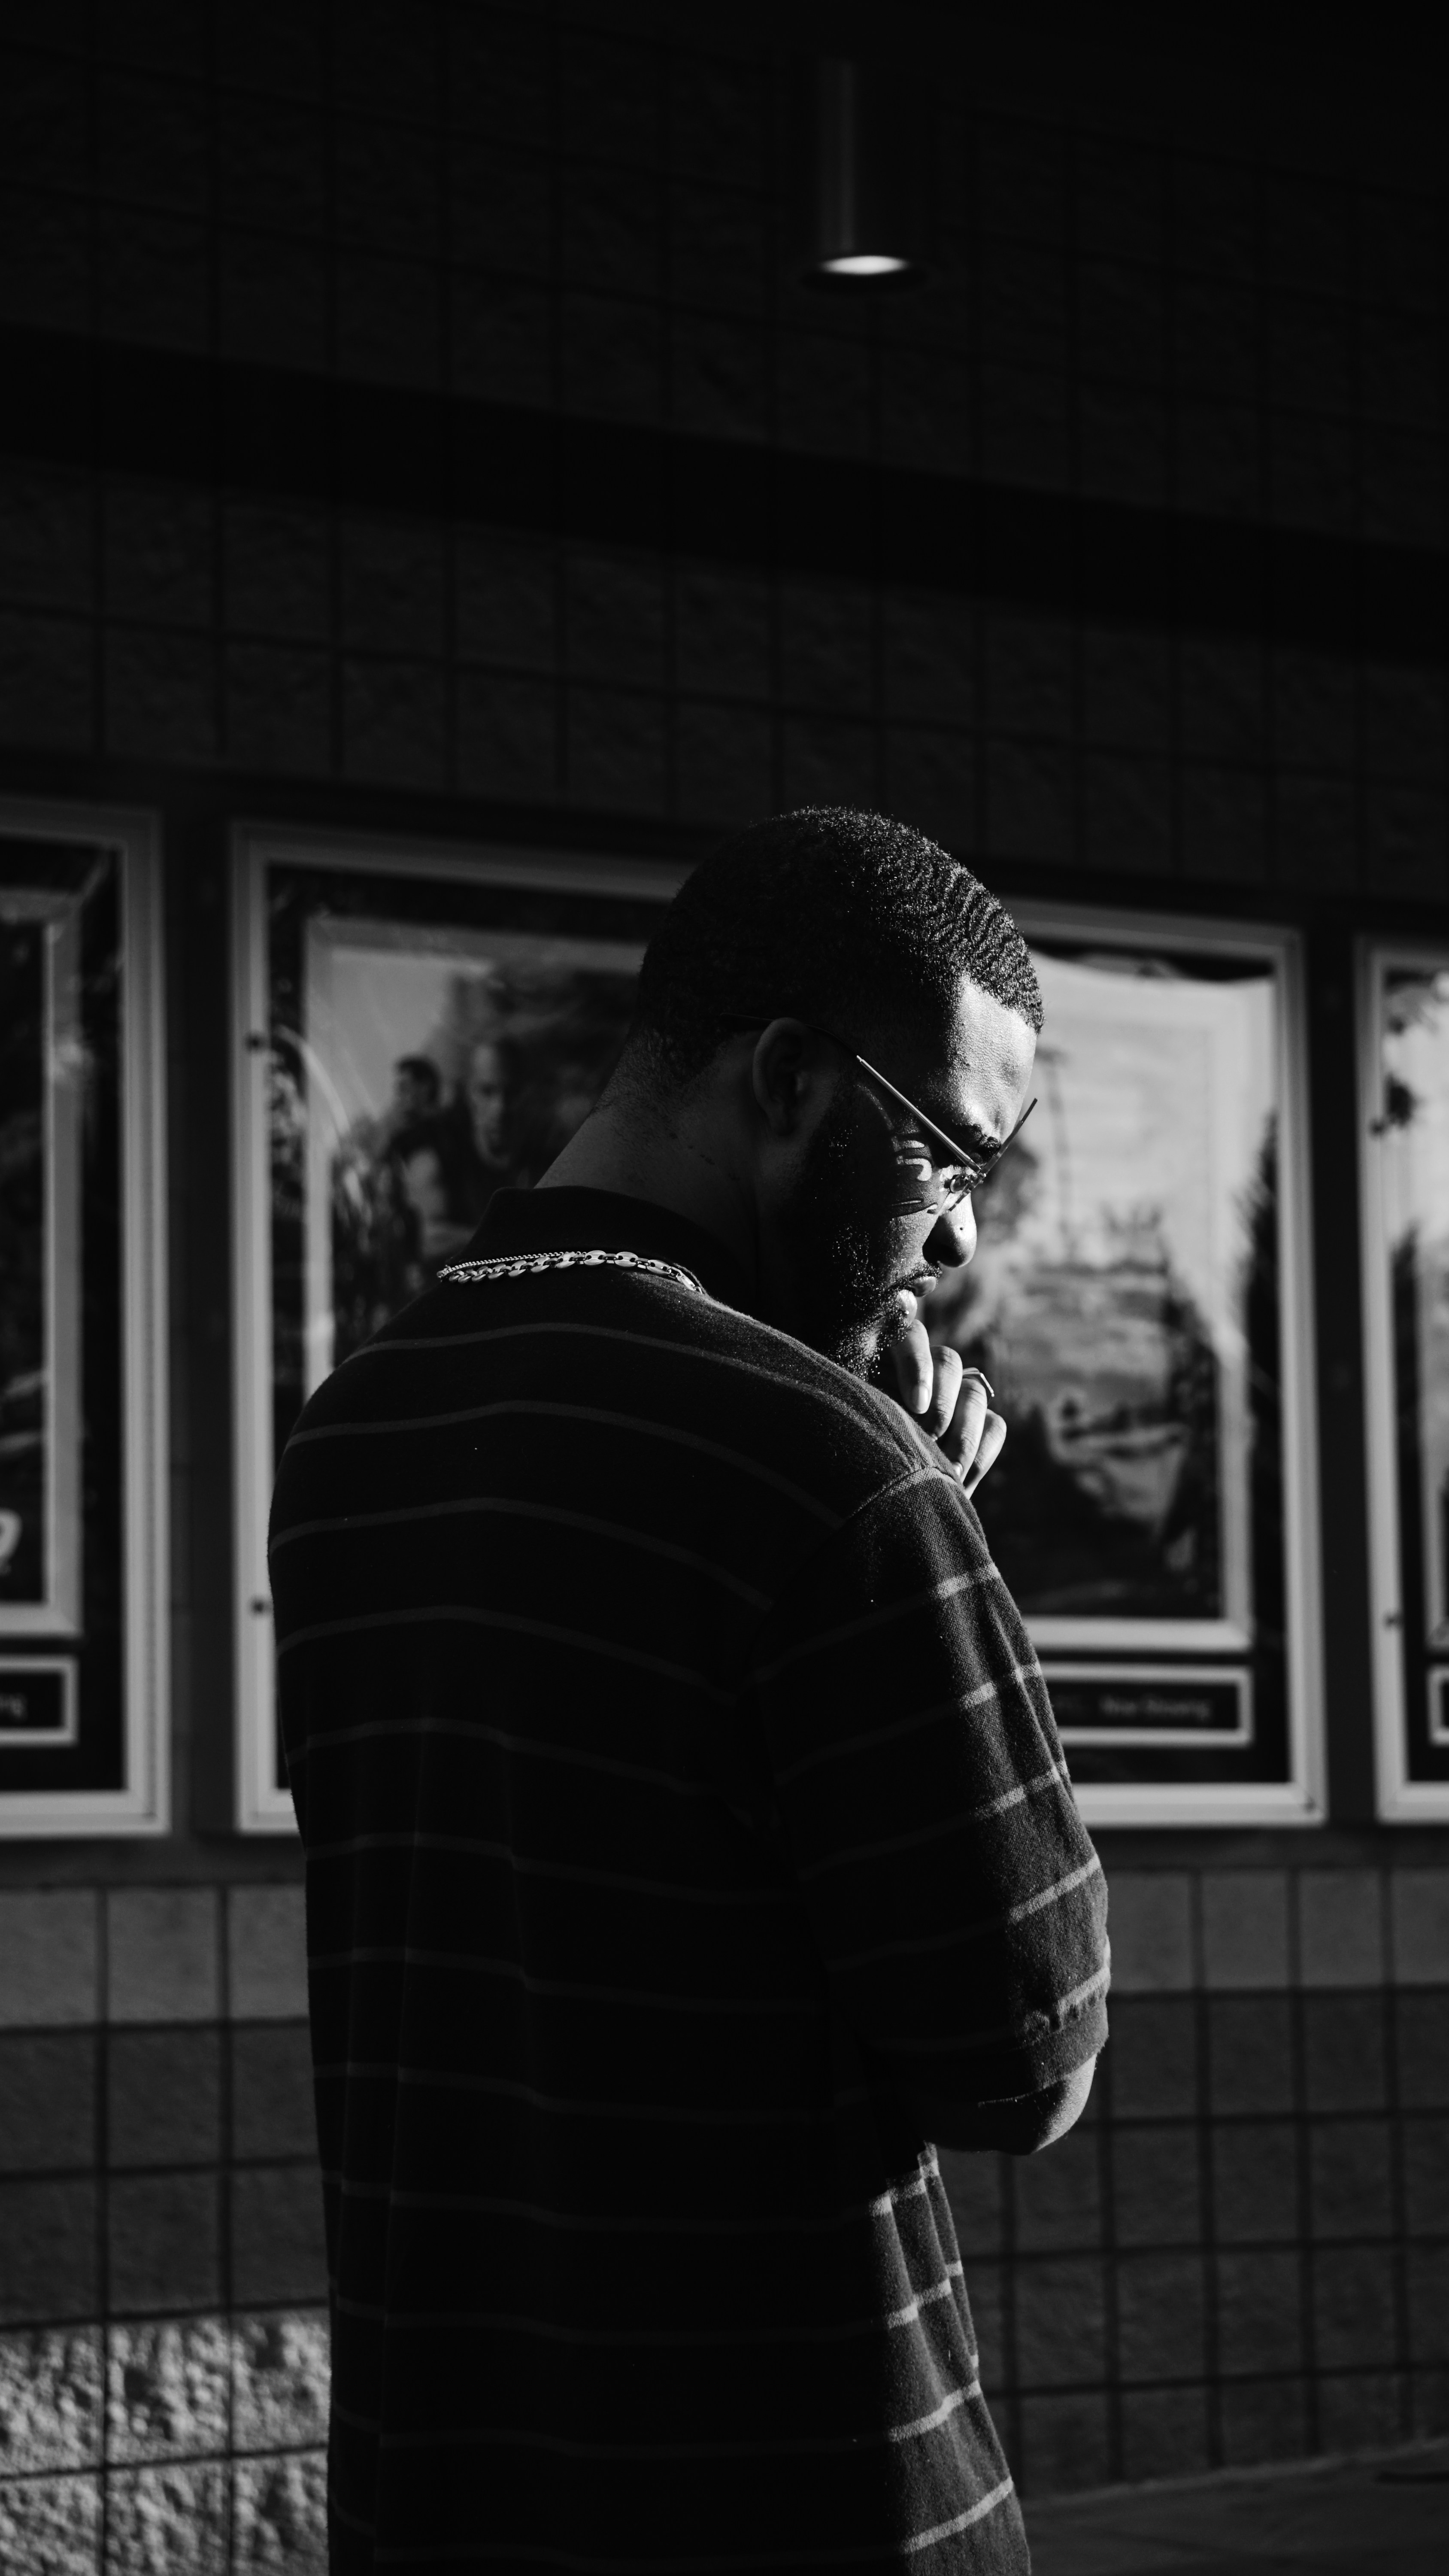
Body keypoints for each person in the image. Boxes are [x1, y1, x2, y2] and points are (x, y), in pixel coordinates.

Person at [270, 808, 1109, 2574]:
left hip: (452, 2475)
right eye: (952, 1154)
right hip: (795, 2479)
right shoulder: (829, 1472)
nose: (958, 1240)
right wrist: (919, 1512)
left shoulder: (356, 1437)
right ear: (794, 1075)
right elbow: (1023, 2047)